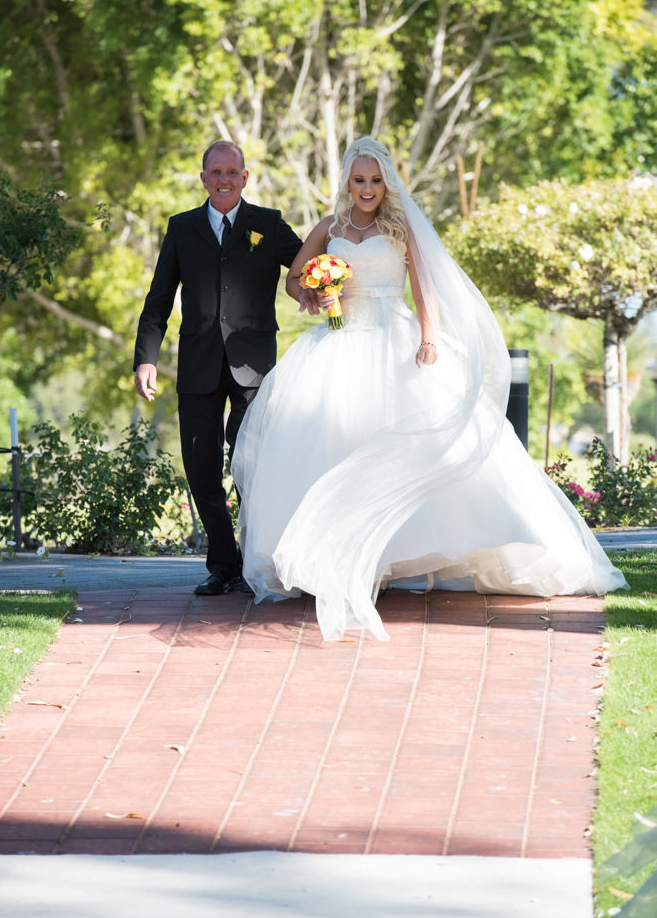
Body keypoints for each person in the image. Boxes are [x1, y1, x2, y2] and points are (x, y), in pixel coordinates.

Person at [231, 136, 627, 641]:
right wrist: (313, 289)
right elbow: (293, 280)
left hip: (393, 338)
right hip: (338, 339)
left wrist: (429, 339)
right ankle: (334, 558)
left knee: (405, 444)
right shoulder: (329, 227)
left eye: (375, 180)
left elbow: (425, 289)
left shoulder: (401, 228)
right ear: (347, 183)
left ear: (386, 183)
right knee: (331, 442)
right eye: (359, 180)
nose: (367, 189)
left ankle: (391, 557)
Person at [133, 141, 302, 595]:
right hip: (198, 365)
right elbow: (158, 301)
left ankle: (252, 563)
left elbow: (308, 263)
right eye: (216, 172)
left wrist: (336, 275)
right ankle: (222, 564)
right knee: (201, 468)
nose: (224, 179)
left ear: (245, 178)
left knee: (250, 467)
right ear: (204, 178)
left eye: (232, 172)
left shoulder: (267, 224)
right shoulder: (182, 228)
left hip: (254, 368)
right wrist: (146, 358)